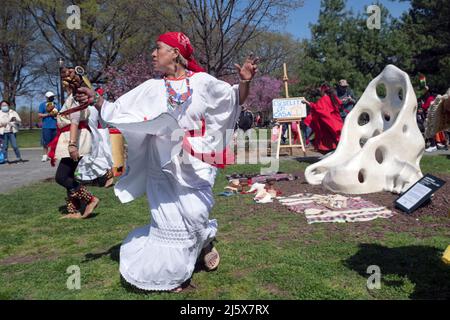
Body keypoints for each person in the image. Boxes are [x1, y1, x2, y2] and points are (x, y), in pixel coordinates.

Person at [75, 31, 258, 292]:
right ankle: (174, 275)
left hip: (195, 160)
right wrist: (96, 99)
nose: (153, 53)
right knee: (169, 220)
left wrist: (245, 82)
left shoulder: (203, 82)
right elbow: (119, 110)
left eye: (158, 47)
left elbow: (231, 101)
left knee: (196, 214)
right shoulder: (150, 88)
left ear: (175, 52)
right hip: (162, 162)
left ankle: (203, 241)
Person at [47, 68, 100, 219]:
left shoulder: (76, 98)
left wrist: (72, 145)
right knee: (69, 175)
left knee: (61, 177)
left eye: (65, 82)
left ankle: (90, 199)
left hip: (75, 138)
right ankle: (75, 210)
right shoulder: (73, 98)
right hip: (74, 137)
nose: (64, 85)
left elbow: (75, 122)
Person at [304, 84, 344, 154]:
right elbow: (339, 104)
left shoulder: (323, 100)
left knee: (327, 138)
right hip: (335, 121)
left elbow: (317, 108)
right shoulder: (332, 98)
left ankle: (331, 152)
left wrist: (307, 102)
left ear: (323, 91)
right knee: (336, 137)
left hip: (328, 122)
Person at [38, 91, 60, 162]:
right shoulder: (42, 105)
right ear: (47, 97)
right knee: (46, 142)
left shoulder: (57, 104)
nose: (52, 98)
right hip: (46, 126)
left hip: (55, 126)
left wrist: (57, 115)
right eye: (50, 97)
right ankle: (45, 155)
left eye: (52, 97)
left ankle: (53, 155)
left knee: (55, 142)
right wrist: (48, 114)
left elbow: (61, 113)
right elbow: (40, 115)